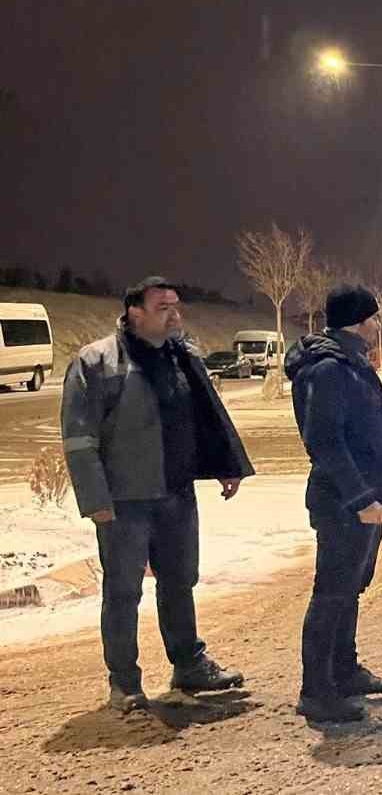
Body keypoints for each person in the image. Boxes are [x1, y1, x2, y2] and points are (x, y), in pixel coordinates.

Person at [61, 277, 254, 712]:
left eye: (176, 306)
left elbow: (208, 415)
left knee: (180, 581)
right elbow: (79, 438)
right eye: (163, 306)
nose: (174, 313)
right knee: (124, 590)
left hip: (176, 493)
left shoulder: (182, 356)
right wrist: (95, 499)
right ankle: (124, 682)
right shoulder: (97, 362)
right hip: (125, 500)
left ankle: (188, 663)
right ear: (135, 312)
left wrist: (227, 464)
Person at [285, 284, 382, 724]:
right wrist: (360, 497)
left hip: (362, 499)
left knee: (350, 587)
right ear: (358, 321)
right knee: (331, 592)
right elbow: (325, 442)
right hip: (343, 502)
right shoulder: (329, 369)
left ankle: (344, 671)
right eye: (373, 318)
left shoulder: (349, 361)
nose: (377, 325)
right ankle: (316, 691)